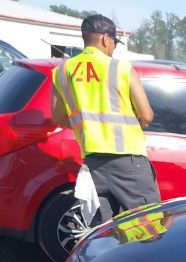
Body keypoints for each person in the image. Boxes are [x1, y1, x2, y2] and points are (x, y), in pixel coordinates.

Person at [51, 14, 159, 226]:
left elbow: (58, 117)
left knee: (103, 231)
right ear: (105, 39)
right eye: (113, 44)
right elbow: (146, 115)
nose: (113, 49)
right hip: (129, 161)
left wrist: (89, 126)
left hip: (93, 163)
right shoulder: (121, 68)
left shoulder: (61, 71)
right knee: (148, 227)